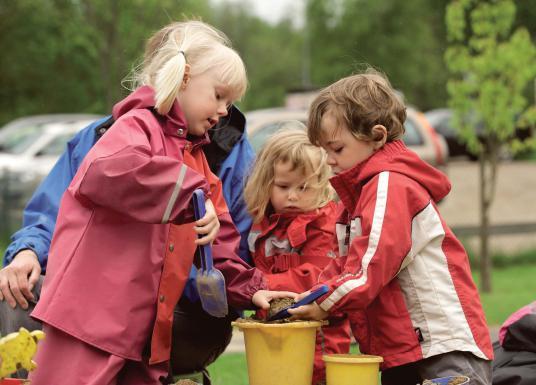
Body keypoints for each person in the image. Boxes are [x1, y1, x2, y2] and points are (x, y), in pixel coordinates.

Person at [24, 20, 293, 385]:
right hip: (89, 324)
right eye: (218, 95)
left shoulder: (197, 159)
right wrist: (189, 193)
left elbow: (218, 249)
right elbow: (108, 171)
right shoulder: (135, 126)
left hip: (145, 332)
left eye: (230, 102)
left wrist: (252, 288)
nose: (225, 111)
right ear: (183, 78)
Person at [288, 70, 493, 385]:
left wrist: (322, 303)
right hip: (400, 351)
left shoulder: (390, 185)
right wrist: (300, 299)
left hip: (441, 350)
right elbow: (342, 266)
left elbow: (369, 267)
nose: (328, 160)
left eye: (337, 149)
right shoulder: (353, 202)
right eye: (324, 150)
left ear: (378, 136)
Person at [243, 126, 351, 385]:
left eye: (303, 187)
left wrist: (260, 286)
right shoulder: (262, 226)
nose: (292, 196)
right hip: (272, 336)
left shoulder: (324, 223)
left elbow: (315, 276)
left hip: (319, 337)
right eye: (282, 186)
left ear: (321, 185)